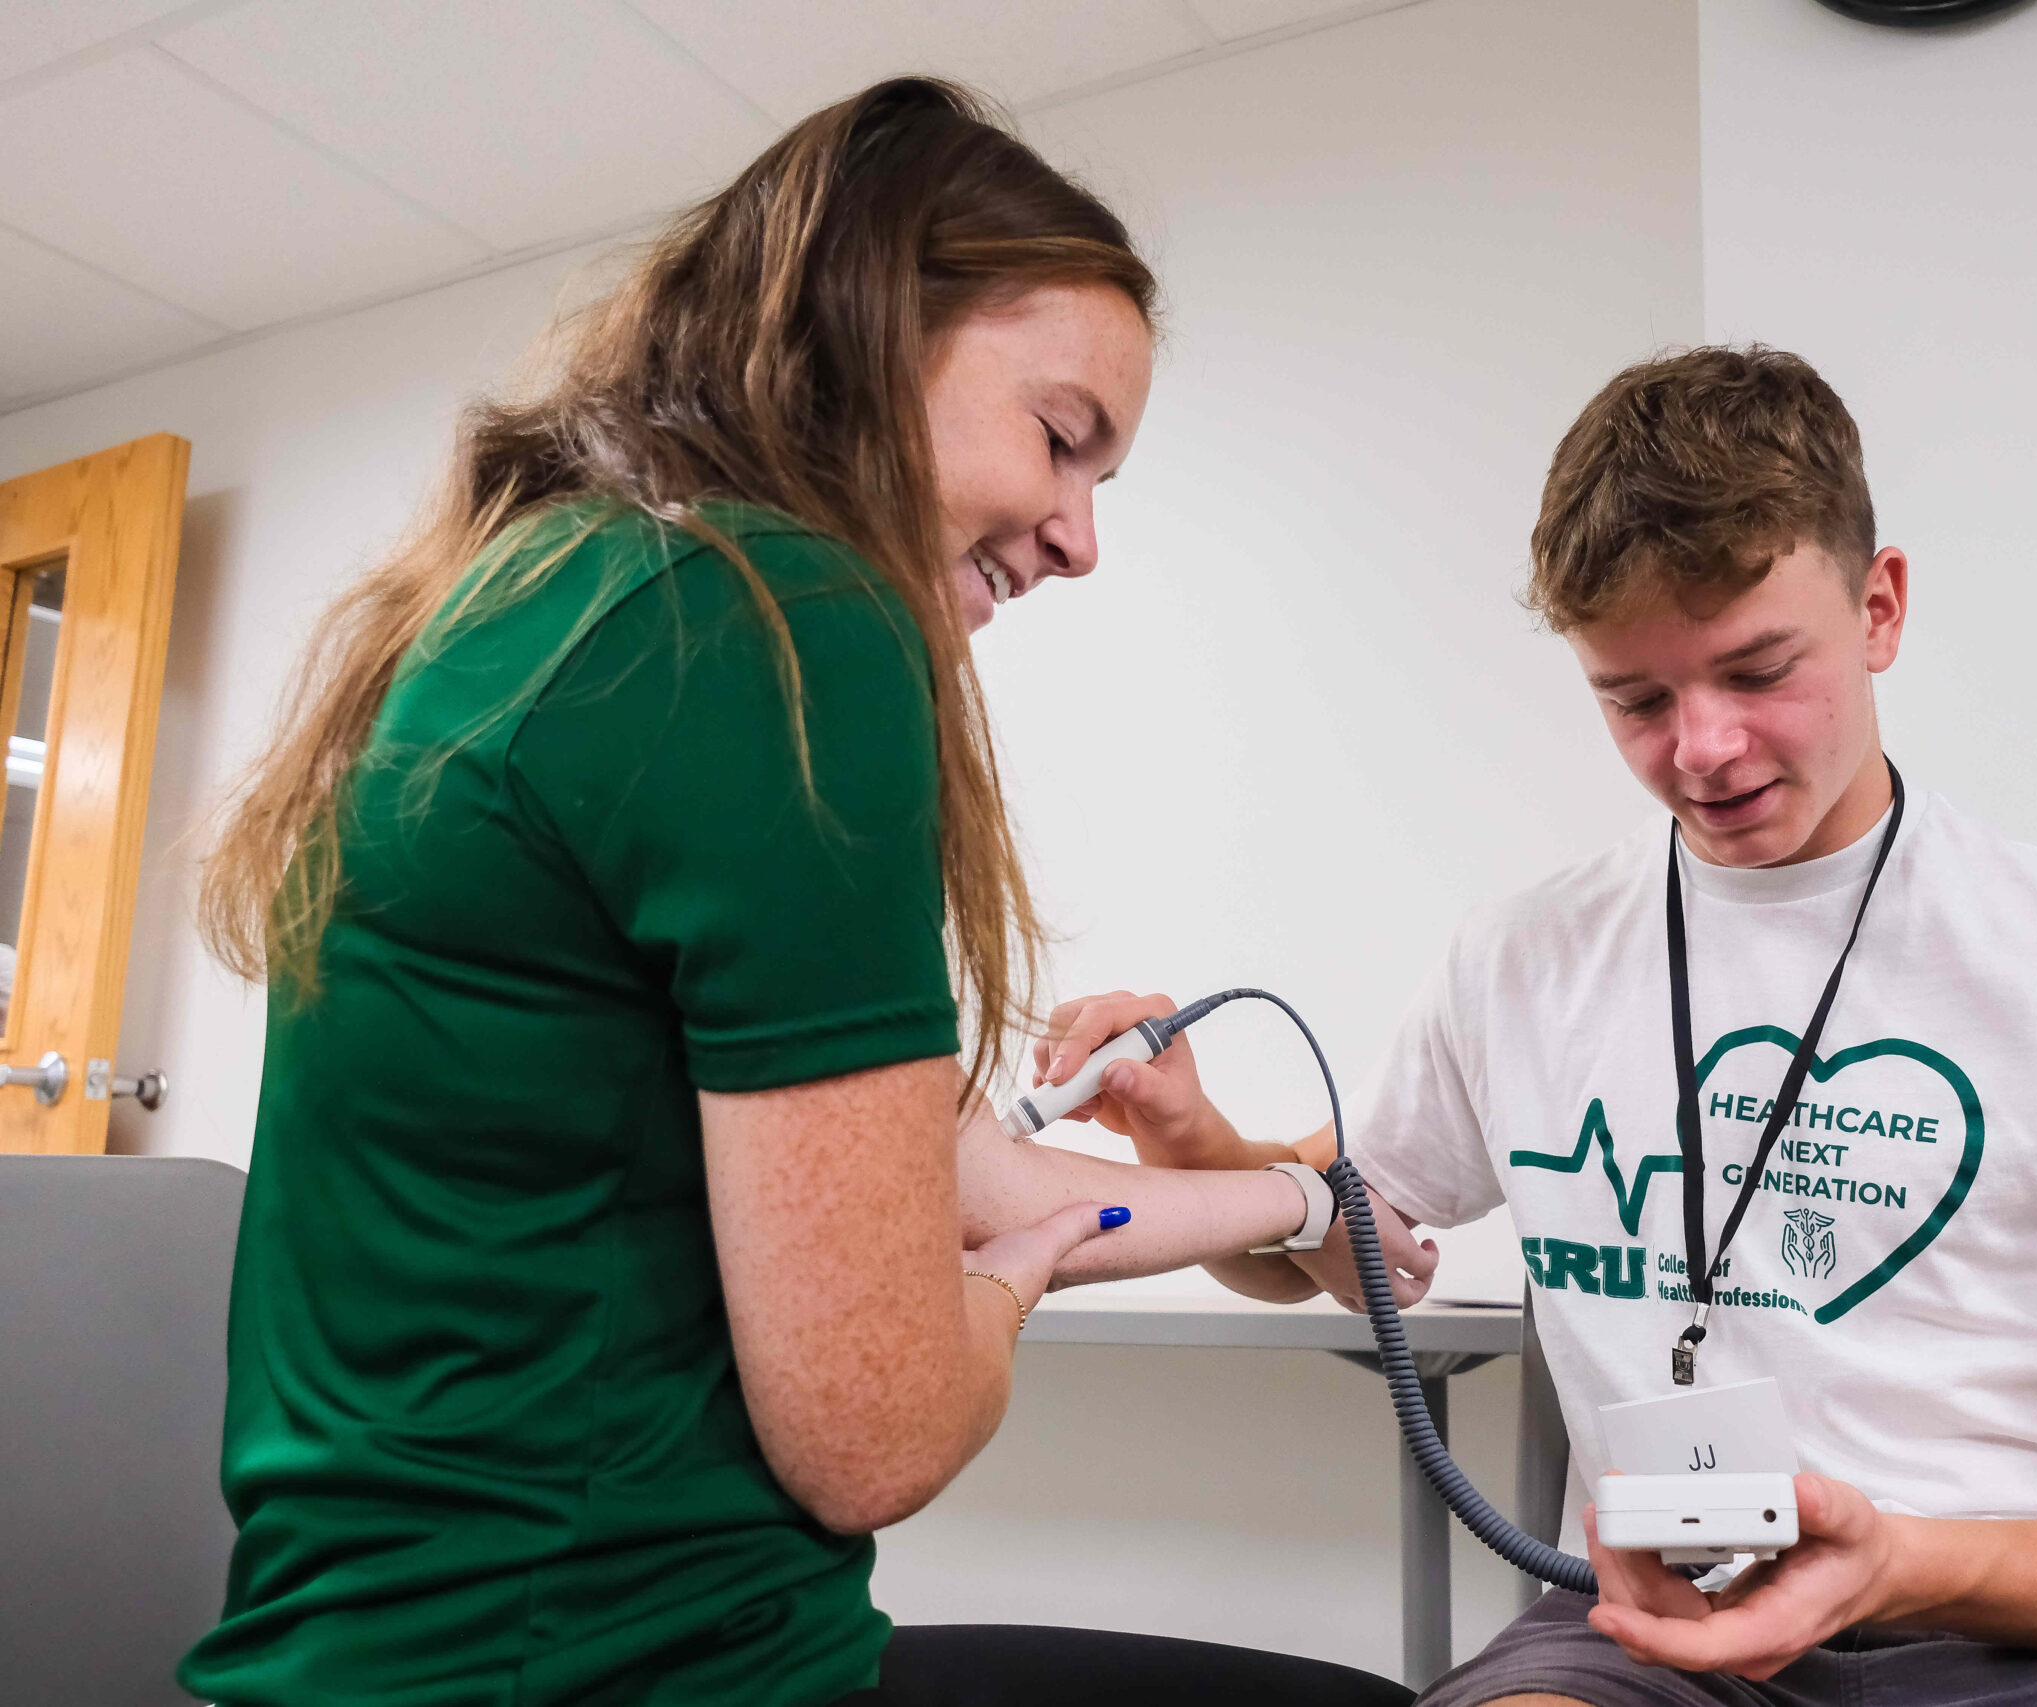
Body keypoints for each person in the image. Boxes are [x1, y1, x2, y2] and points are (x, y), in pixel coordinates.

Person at [180, 79, 1412, 1707]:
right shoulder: (770, 625)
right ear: (871, 330)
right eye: (1062, 439)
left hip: (414, 1656)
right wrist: (999, 1294)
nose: (1080, 538)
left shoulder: (563, 593)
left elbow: (965, 1173)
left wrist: (1306, 1206)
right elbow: (877, 1437)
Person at [1039, 346, 2037, 1706]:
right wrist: (1192, 1139)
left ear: (1880, 608)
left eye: (1758, 671)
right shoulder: (1521, 960)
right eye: (1638, 700)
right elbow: (1329, 1243)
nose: (1704, 750)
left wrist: (1903, 1561)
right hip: (1666, 1650)